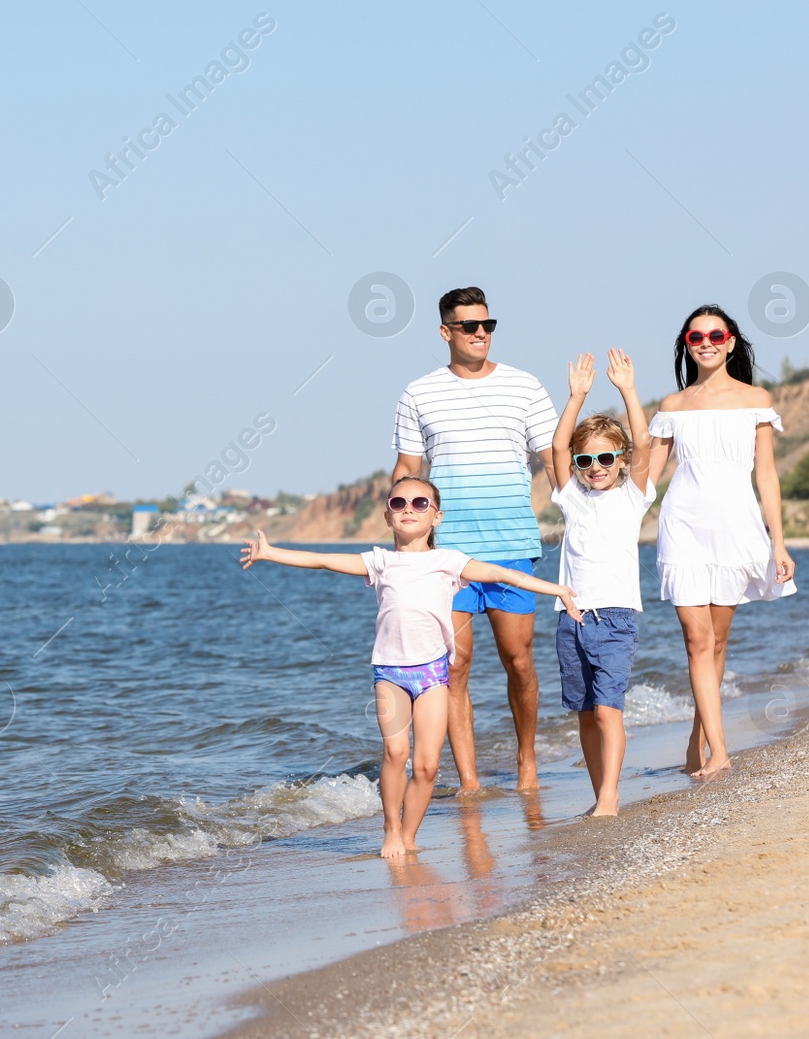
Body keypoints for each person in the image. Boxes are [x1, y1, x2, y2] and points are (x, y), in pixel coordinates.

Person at [239, 476, 580, 859]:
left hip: (433, 675)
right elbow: (321, 560)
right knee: (396, 753)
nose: (408, 509)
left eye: (419, 503)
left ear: (437, 516)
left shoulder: (449, 562)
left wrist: (558, 590)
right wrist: (270, 552)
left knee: (428, 766)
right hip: (390, 674)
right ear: (387, 515)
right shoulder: (379, 562)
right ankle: (391, 829)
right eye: (398, 503)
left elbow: (503, 574)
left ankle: (410, 835)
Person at [392, 286, 559, 793]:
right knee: (455, 665)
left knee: (519, 660)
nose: (481, 333)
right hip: (448, 552)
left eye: (487, 325)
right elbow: (407, 470)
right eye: (469, 326)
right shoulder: (418, 394)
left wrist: (579, 512)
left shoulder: (525, 387)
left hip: (511, 544)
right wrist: (401, 541)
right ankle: (469, 780)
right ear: (446, 332)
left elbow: (552, 458)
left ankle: (526, 760)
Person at [647, 305, 797, 781]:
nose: (707, 342)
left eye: (716, 334)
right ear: (686, 344)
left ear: (731, 341)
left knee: (716, 642)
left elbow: (766, 476)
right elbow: (646, 481)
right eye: (696, 337)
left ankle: (699, 738)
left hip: (735, 526)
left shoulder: (757, 398)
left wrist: (779, 543)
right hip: (682, 527)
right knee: (696, 640)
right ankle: (720, 751)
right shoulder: (673, 407)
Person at [550, 349, 655, 816]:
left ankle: (611, 797)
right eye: (586, 458)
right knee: (586, 713)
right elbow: (555, 448)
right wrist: (576, 397)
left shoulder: (633, 496)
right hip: (570, 617)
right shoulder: (572, 498)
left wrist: (628, 391)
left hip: (615, 618)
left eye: (606, 457)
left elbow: (647, 445)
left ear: (620, 460)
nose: (596, 466)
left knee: (610, 708)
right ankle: (600, 796)